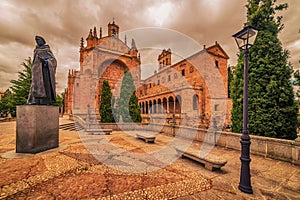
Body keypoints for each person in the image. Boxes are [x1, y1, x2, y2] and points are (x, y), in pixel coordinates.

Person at [27, 36, 57, 105]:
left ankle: (45, 101)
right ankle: (33, 101)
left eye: (39, 40)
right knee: (35, 86)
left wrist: (46, 62)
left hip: (44, 71)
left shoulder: (46, 49)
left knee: (45, 85)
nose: (37, 41)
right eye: (36, 40)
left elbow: (53, 60)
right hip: (36, 71)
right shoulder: (36, 50)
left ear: (43, 41)